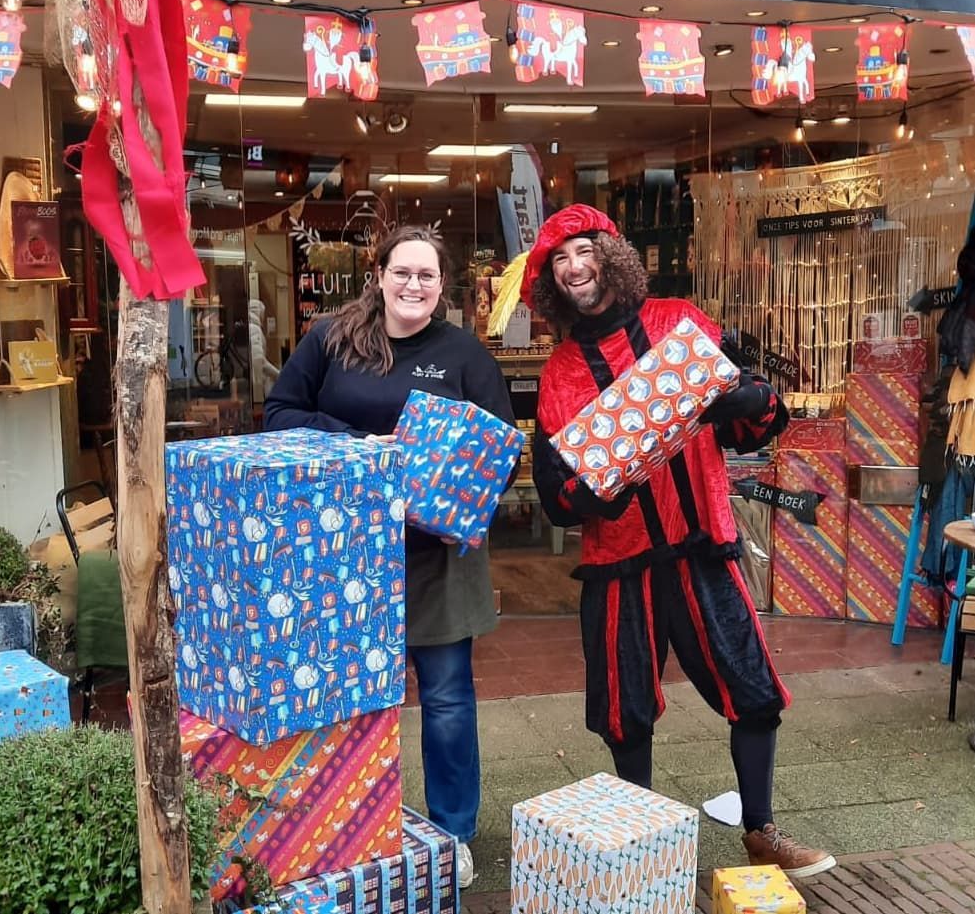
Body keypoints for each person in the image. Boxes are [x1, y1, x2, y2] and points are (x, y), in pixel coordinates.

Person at [520, 203, 835, 879]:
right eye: (559, 261)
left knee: (753, 691)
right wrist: (597, 485)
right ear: (552, 281)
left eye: (583, 250)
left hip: (700, 548)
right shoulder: (559, 374)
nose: (574, 267)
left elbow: (754, 418)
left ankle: (760, 829)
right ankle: (636, 852)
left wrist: (750, 400)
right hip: (616, 564)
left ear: (609, 255)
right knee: (623, 713)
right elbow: (555, 496)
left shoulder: (677, 323)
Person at [264, 225, 517, 890]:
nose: (412, 285)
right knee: (348, 698)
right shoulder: (330, 338)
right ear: (378, 275)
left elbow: (500, 447)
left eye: (426, 276)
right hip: (345, 552)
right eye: (401, 272)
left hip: (436, 555)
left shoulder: (464, 354)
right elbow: (280, 411)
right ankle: (341, 824)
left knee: (445, 699)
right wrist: (362, 445)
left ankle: (454, 831)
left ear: (442, 285)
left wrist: (469, 503)